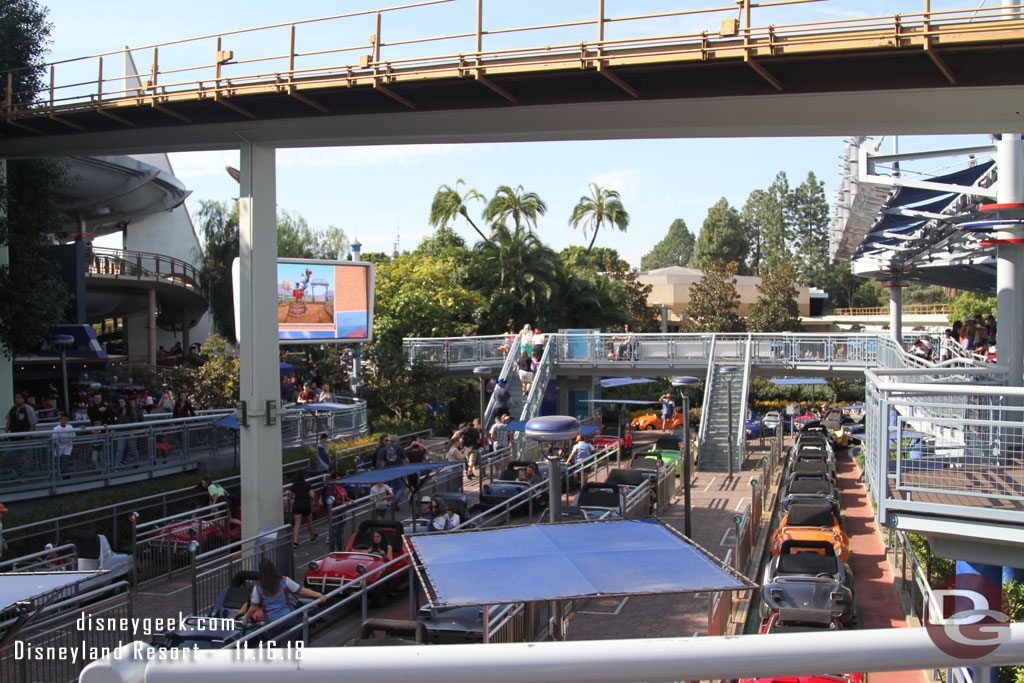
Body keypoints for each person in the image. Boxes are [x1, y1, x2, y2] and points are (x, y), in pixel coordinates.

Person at [242, 558, 325, 627]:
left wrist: (246, 617)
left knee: (278, 643)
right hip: (288, 618)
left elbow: (253, 607)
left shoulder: (257, 587)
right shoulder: (285, 580)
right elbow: (301, 591)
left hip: (272, 622)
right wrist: (319, 595)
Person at [289, 470, 317, 548]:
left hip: (297, 505)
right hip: (306, 505)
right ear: (304, 476)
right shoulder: (307, 485)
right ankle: (312, 537)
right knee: (309, 521)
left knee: (297, 524)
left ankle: (295, 541)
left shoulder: (294, 485)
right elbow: (312, 495)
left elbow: (290, 496)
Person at [114, 396, 140, 465]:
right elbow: (118, 422)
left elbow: (135, 421)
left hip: (131, 432)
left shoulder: (131, 411)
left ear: (126, 403)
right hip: (121, 432)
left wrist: (133, 432)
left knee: (133, 449)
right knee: (119, 449)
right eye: (119, 402)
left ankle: (137, 462)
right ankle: (116, 465)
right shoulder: (119, 411)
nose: (120, 404)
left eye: (122, 402)